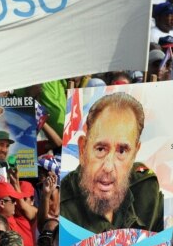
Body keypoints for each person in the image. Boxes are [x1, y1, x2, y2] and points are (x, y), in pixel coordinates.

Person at [60, 92, 163, 234]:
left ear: (135, 153)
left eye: (122, 151)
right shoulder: (62, 208)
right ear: (83, 149)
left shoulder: (147, 190)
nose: (108, 167)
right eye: (101, 149)